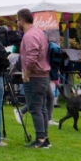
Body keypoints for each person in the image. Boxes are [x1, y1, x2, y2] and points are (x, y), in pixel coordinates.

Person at [16, 10, 52, 148]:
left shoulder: (30, 35)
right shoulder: (39, 33)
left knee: (35, 108)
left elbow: (31, 57)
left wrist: (26, 74)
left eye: (17, 20)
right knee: (41, 107)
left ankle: (40, 139)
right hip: (43, 75)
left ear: (22, 20)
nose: (17, 23)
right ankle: (45, 137)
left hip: (34, 76)